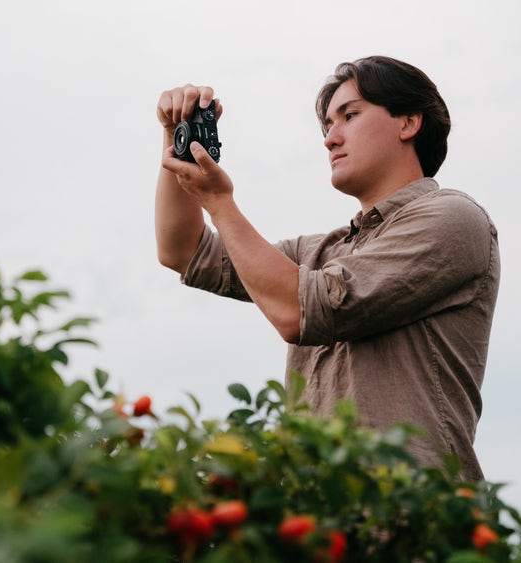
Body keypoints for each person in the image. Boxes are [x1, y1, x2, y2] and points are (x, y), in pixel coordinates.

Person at [155, 56, 500, 481]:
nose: (330, 139)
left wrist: (220, 204)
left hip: (415, 519)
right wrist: (176, 142)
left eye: (349, 116)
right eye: (326, 126)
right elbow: (182, 251)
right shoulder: (325, 251)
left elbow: (299, 311)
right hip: (320, 520)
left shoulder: (453, 217)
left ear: (409, 122)